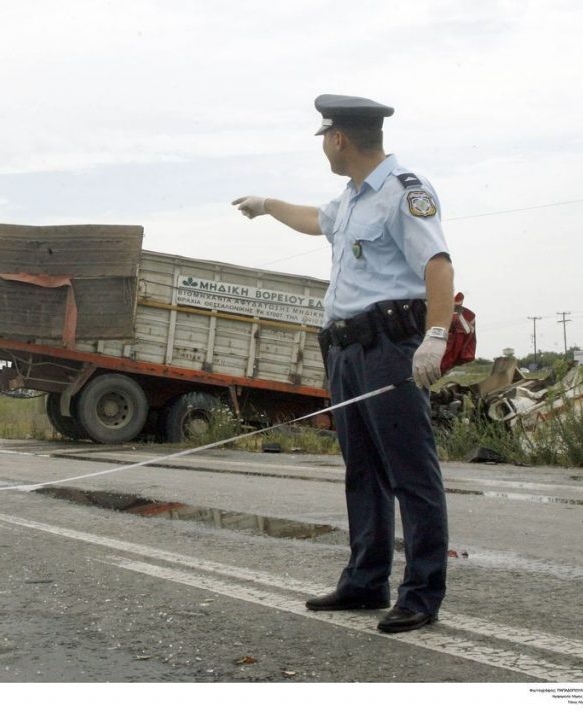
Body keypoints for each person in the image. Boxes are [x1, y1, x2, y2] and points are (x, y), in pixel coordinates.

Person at [232, 94, 454, 634]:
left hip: (388, 349)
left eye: (325, 139)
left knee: (411, 473)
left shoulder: (405, 193)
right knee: (363, 472)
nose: (325, 149)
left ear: (339, 139)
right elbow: (316, 220)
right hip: (347, 350)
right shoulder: (353, 198)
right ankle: (365, 581)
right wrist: (267, 204)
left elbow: (438, 264)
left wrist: (437, 337)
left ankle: (422, 593)